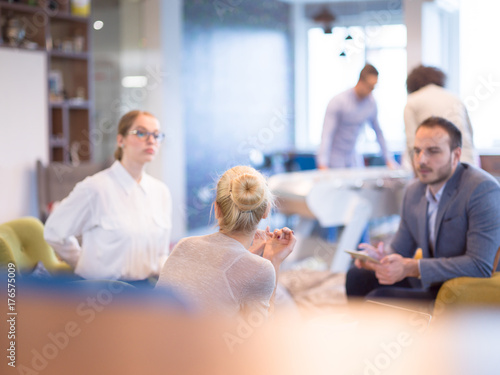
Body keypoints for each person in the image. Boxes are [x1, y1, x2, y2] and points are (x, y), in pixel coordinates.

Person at [346, 116, 500, 301]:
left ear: (456, 155)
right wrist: (379, 258)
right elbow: (400, 249)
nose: (421, 160)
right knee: (357, 276)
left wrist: (412, 267)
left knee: (379, 299)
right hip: (429, 282)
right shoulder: (414, 190)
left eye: (433, 151)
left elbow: (479, 266)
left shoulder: (482, 189)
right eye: (417, 151)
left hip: (461, 292)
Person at [44, 110, 172, 285]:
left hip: (145, 289)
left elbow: (161, 254)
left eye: (156, 135)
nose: (151, 140)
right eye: (141, 133)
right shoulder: (95, 188)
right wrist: (81, 262)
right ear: (121, 140)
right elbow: (53, 231)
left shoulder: (161, 191)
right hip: (100, 291)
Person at [156, 166, 296, 316]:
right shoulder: (260, 270)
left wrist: (248, 255)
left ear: (217, 209)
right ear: (266, 211)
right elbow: (260, 335)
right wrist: (272, 260)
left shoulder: (183, 246)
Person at [316, 63, 395, 170]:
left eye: (373, 88)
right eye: (369, 87)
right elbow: (327, 135)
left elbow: (378, 133)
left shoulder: (371, 104)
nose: (371, 91)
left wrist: (389, 160)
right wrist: (322, 163)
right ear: (360, 82)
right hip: (334, 157)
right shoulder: (339, 102)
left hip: (353, 157)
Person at [403, 65, 478, 170]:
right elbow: (470, 134)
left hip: (438, 167)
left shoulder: (412, 101)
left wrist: (417, 176)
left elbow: (412, 143)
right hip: (468, 163)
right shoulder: (455, 98)